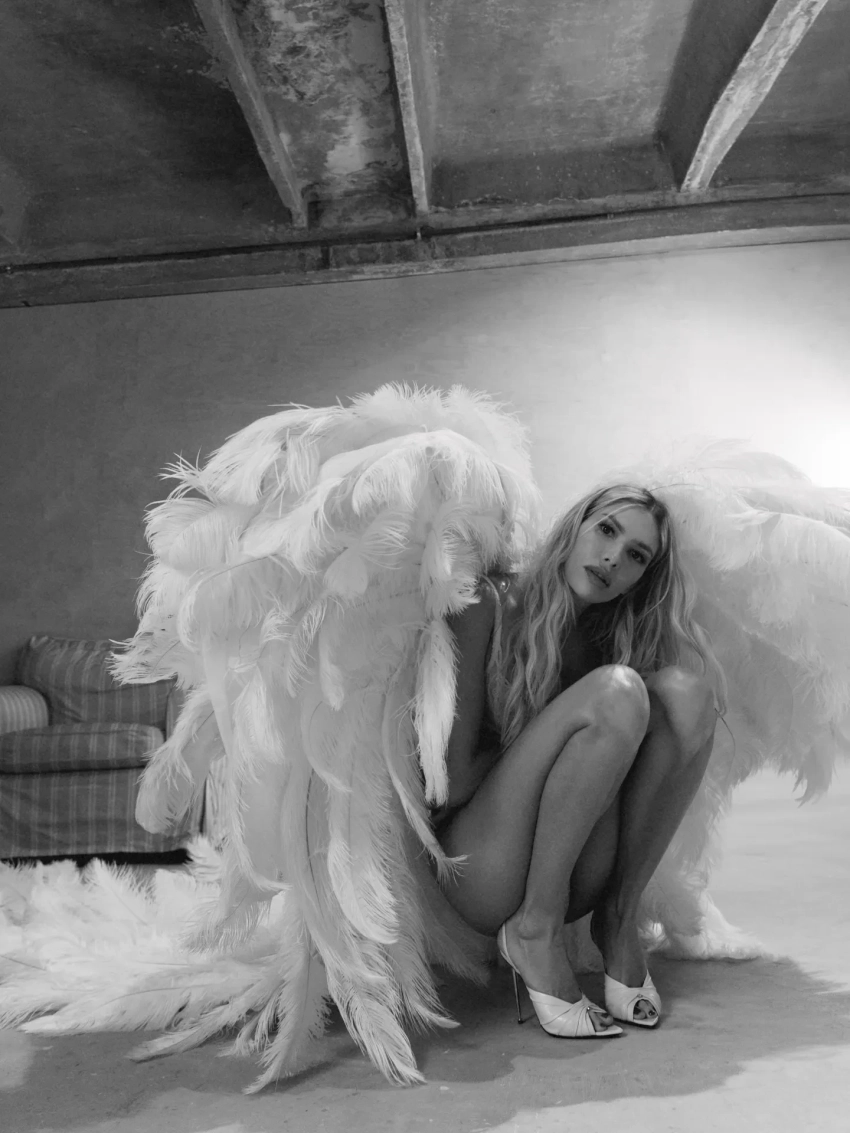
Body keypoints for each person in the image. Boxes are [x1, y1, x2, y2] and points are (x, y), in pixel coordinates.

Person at [434, 484, 726, 1038]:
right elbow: (451, 780)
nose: (613, 558)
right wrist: (552, 737)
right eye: (607, 530)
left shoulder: (608, 639)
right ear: (575, 526)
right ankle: (532, 931)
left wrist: (586, 747)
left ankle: (618, 916)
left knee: (688, 696)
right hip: (481, 865)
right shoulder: (486, 602)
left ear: (642, 578)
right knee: (617, 690)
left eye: (636, 555)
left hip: (575, 878)